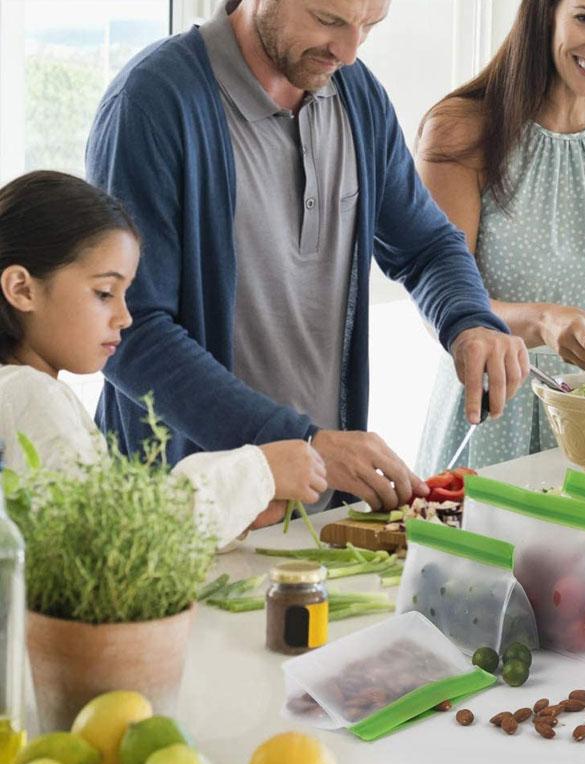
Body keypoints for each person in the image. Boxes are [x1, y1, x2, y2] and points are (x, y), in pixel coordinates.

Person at [85, 0, 530, 512]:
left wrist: (470, 320)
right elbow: (129, 331)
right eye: (328, 20)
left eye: (369, 27)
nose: (349, 51)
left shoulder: (357, 95)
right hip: (186, 516)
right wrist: (301, 440)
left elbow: (425, 245)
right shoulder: (153, 103)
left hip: (320, 502)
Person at [415, 0, 585, 474]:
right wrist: (546, 322)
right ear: (545, 13)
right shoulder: (462, 130)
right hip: (492, 413)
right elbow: (442, 304)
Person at [0, 170, 327, 548]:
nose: (124, 317)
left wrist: (238, 511)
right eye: (105, 293)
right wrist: (259, 473)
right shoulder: (30, 395)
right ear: (21, 289)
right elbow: (110, 544)